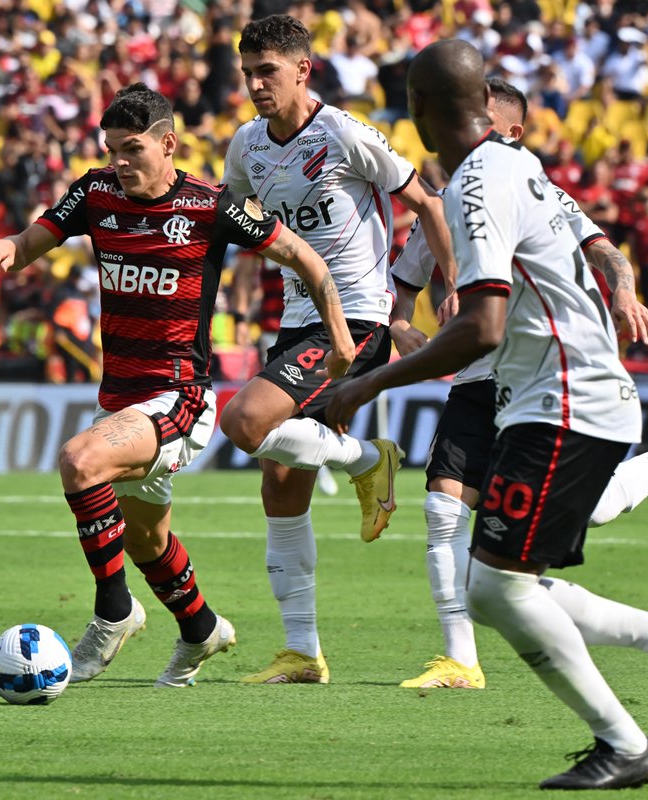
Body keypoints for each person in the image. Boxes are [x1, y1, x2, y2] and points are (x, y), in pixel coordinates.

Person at [327, 40, 648, 791]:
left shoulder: (477, 183)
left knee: (495, 586)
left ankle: (625, 743)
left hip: (564, 399)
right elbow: (582, 250)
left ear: (417, 110)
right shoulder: (520, 164)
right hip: (550, 396)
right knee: (509, 581)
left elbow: (480, 325)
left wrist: (368, 384)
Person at [0, 83, 355, 689]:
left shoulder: (211, 206)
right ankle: (202, 628)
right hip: (120, 395)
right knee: (148, 537)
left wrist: (337, 336)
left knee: (79, 460)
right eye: (112, 149)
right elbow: (30, 243)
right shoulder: (94, 192)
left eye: (132, 149)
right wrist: (7, 247)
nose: (120, 162)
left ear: (167, 143)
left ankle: (113, 612)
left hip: (179, 396)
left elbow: (305, 256)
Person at [388, 77, 648, 693]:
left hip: (538, 382)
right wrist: (397, 325)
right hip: (476, 379)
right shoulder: (447, 204)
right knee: (443, 509)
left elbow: (605, 250)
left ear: (509, 132)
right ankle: (459, 660)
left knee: (587, 513)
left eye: (478, 119)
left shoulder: (535, 189)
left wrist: (624, 287)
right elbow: (408, 285)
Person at [217, 14, 460, 685]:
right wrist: (232, 295)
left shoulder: (344, 134)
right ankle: (302, 652)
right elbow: (237, 225)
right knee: (280, 481)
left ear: (303, 69)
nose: (256, 85)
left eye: (268, 72)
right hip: (296, 322)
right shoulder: (246, 147)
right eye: (248, 74)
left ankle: (362, 463)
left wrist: (455, 287)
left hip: (353, 322)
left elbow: (428, 205)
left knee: (245, 424)